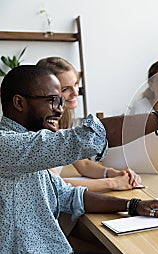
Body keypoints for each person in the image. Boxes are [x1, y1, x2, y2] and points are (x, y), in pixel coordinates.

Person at [0, 65, 158, 254]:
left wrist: (133, 205)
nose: (60, 109)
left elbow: (69, 195)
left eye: (61, 101)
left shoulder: (28, 151)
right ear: (19, 103)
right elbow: (86, 138)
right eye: (53, 101)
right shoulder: (6, 145)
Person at [37, 56, 140, 192]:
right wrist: (112, 183)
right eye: (65, 89)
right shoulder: (39, 132)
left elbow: (84, 164)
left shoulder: (63, 121)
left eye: (75, 84)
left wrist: (113, 173)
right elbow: (54, 185)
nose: (75, 93)